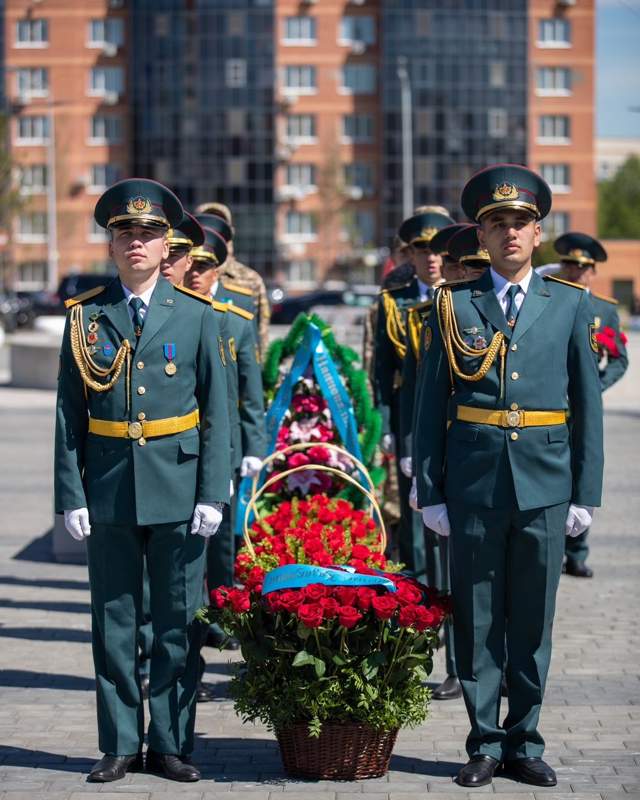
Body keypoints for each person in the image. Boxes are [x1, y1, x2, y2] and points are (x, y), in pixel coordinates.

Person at [415, 164, 603, 788]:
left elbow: (588, 405)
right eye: (498, 224)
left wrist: (587, 493)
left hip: (545, 483)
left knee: (532, 619)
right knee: (476, 617)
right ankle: (485, 742)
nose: (510, 233)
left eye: (520, 222)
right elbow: (429, 403)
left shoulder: (572, 303)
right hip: (473, 482)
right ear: (483, 236)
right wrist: (429, 489)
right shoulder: (453, 304)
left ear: (539, 233)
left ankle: (526, 739)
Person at [55, 179, 231, 783]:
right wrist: (69, 496)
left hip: (179, 489)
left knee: (178, 624)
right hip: (108, 487)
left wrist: (214, 492)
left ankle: (173, 741)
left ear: (166, 246)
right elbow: (68, 414)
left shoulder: (200, 316)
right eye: (125, 233)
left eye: (148, 233)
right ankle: (121, 741)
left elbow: (218, 412)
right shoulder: (87, 317)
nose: (136, 242)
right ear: (111, 245)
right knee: (115, 622)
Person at [184, 225, 267, 688]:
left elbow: (248, 395)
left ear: (218, 268)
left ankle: (222, 618)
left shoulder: (235, 318)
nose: (194, 273)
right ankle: (193, 630)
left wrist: (254, 449)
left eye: (203, 265)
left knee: (222, 546)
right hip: (180, 445)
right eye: (189, 264)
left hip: (227, 446)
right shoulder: (177, 311)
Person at [373, 208, 454, 582]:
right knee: (414, 509)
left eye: (438, 251)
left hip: (456, 417)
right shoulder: (394, 301)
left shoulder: (462, 294)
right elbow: (383, 370)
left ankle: (448, 585)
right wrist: (389, 424)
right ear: (412, 254)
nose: (432, 258)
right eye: (423, 250)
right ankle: (420, 591)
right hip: (412, 416)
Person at [554, 232, 629, 578]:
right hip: (550, 403)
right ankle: (552, 544)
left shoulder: (604, 310)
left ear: (592, 271)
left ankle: (578, 551)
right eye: (569, 264)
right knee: (551, 475)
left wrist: (595, 388)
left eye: (582, 267)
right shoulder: (548, 300)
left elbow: (618, 359)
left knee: (584, 472)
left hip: (582, 406)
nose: (574, 272)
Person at [195, 202, 271, 355]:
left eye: (220, 226)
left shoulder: (250, 279)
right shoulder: (183, 272)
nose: (213, 231)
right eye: (206, 225)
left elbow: (260, 335)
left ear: (230, 232)